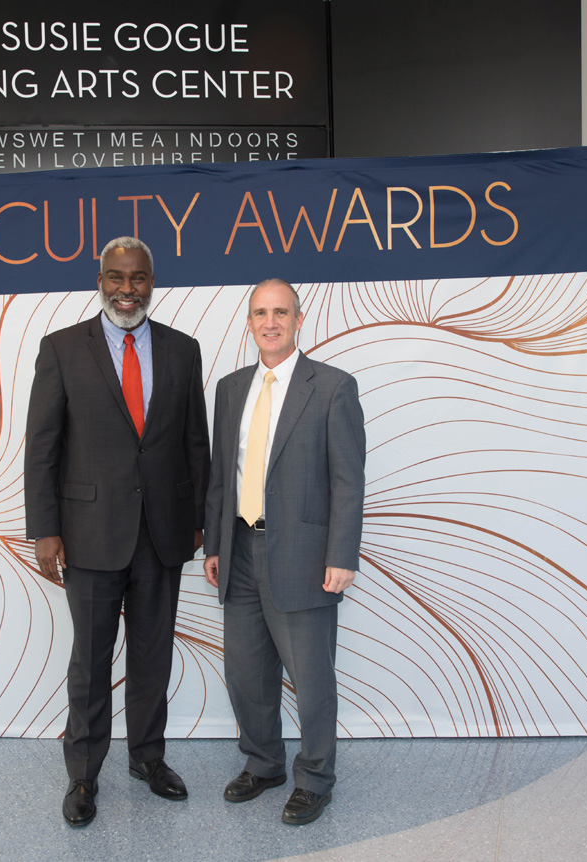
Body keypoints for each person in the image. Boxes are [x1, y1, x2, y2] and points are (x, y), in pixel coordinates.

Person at [24, 236, 210, 827]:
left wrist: (199, 518)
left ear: (152, 282)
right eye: (116, 277)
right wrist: (46, 530)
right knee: (91, 659)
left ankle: (147, 759)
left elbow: (194, 444)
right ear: (99, 278)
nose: (127, 289)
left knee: (152, 655)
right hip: (88, 533)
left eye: (138, 279)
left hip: (162, 532)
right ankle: (83, 774)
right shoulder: (61, 349)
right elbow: (42, 448)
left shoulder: (183, 350)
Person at [203, 278, 365, 825]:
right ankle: (264, 763)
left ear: (299, 319)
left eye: (280, 312)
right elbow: (221, 477)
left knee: (311, 675)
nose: (269, 322)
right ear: (248, 322)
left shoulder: (333, 388)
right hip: (240, 551)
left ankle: (315, 777)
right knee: (246, 674)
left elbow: (348, 480)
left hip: (304, 555)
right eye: (259, 313)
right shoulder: (230, 389)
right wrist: (214, 544)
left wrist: (342, 554)